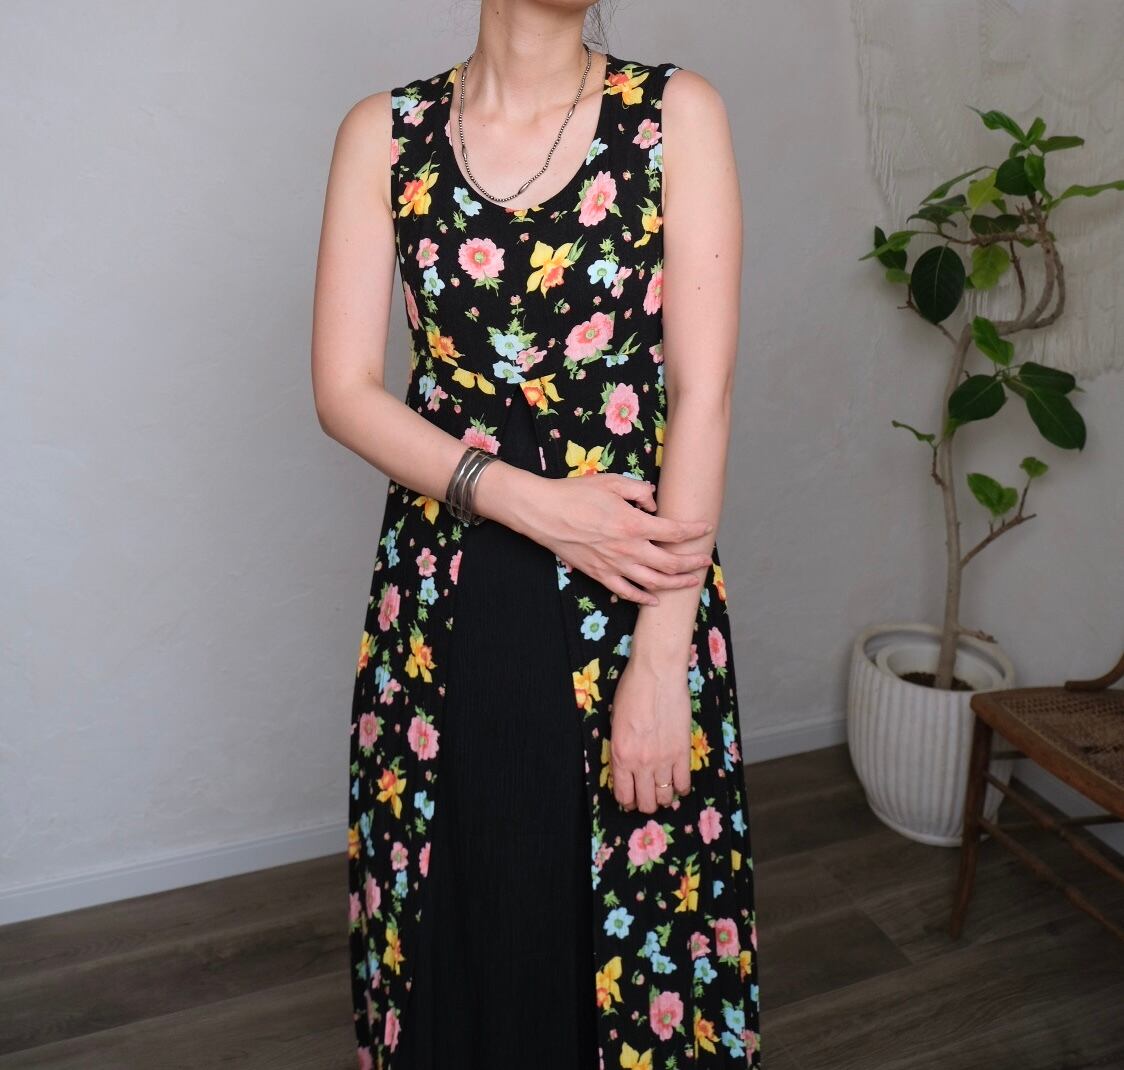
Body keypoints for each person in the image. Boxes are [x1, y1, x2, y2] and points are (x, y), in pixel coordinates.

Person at [311, 2, 761, 1066]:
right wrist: (531, 501)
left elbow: (702, 399)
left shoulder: (675, 113)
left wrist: (662, 658)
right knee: (453, 918)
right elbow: (343, 390)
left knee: (628, 935)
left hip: (634, 600)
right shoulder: (383, 133)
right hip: (440, 601)